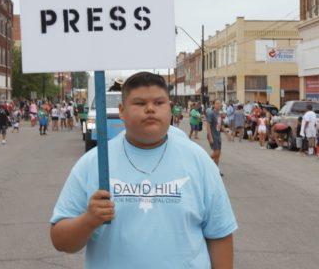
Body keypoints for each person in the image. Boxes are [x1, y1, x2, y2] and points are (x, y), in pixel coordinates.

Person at [50, 72, 237, 269]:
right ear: (122, 110)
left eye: (159, 103)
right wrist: (88, 221)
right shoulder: (93, 163)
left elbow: (220, 235)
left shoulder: (199, 161)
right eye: (139, 103)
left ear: (170, 109)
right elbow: (60, 240)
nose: (150, 109)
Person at [206, 99, 225, 175]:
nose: (219, 104)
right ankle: (205, 162)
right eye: (217, 103)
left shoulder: (219, 114)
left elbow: (221, 126)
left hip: (218, 136)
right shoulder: (211, 113)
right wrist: (210, 137)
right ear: (213, 105)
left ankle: (215, 170)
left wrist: (228, 134)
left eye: (220, 103)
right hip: (212, 135)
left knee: (218, 154)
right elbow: (208, 126)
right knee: (216, 152)